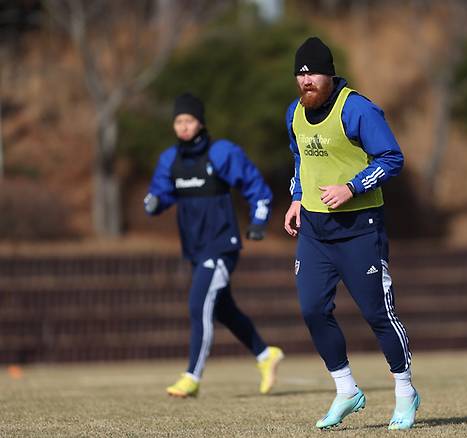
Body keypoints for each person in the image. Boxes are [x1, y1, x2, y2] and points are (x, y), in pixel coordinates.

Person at [284, 37, 419, 430]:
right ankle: (346, 389)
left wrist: (352, 186)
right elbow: (300, 158)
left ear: (330, 75)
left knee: (378, 314)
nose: (306, 81)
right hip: (313, 231)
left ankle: (406, 392)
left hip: (360, 230)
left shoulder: (356, 109)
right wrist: (296, 197)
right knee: (312, 309)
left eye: (313, 74)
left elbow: (392, 158)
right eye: (301, 74)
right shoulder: (293, 112)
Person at [144, 92, 284, 397]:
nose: (183, 126)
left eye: (189, 120)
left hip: (222, 244)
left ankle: (192, 376)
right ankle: (265, 354)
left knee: (198, 304)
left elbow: (255, 186)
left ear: (201, 123)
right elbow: (160, 194)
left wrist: (259, 221)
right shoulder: (170, 160)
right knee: (223, 308)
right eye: (178, 121)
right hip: (195, 248)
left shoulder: (222, 153)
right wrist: (154, 202)